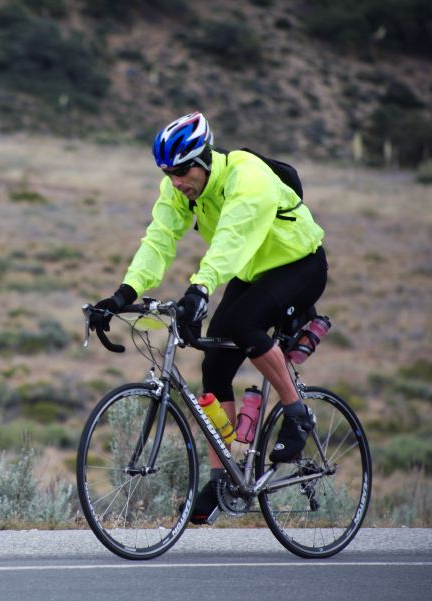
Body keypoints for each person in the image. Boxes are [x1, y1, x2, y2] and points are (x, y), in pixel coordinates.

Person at [90, 112, 327, 524]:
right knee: (214, 366)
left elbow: (232, 239)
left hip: (298, 265)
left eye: (182, 170)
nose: (176, 180)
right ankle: (226, 478)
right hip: (251, 271)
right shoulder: (178, 191)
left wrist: (199, 290)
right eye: (167, 172)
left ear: (205, 158)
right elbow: (159, 240)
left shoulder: (246, 176)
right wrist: (122, 294)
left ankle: (296, 412)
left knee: (243, 325)